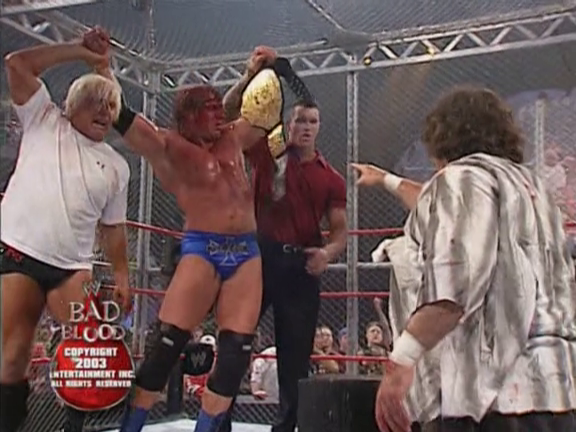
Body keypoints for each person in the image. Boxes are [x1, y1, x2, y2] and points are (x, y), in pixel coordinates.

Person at [83, 28, 285, 432]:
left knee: (234, 355)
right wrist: (103, 67)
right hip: (202, 248)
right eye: (209, 109)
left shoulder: (232, 137)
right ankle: (131, 427)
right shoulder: (167, 147)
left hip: (246, 252)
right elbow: (122, 114)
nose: (219, 114)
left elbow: (259, 115)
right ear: (190, 116)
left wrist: (254, 75)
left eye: (218, 107)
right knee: (164, 349)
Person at [357, 86, 576, 432]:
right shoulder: (533, 189)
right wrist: (387, 179)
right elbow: (433, 203)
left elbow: (456, 286)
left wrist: (401, 360)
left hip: (493, 397)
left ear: (441, 137)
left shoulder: (461, 180)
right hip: (555, 390)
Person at [0, 31, 133, 432]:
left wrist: (122, 274)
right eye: (95, 102)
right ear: (72, 105)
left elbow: (113, 228)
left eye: (110, 105)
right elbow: (17, 64)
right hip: (19, 252)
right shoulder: (43, 120)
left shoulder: (116, 166)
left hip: (73, 267)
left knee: (88, 354)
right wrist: (81, 51)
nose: (104, 111)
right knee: (12, 358)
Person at [221, 78, 348, 431]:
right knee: (235, 342)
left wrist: (327, 253)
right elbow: (229, 114)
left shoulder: (331, 178)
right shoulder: (268, 152)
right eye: (300, 120)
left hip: (301, 266)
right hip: (258, 259)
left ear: (319, 127)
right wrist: (249, 76)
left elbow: (340, 231)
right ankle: (217, 423)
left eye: (312, 121)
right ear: (288, 124)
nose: (306, 127)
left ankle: (286, 428)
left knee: (295, 358)